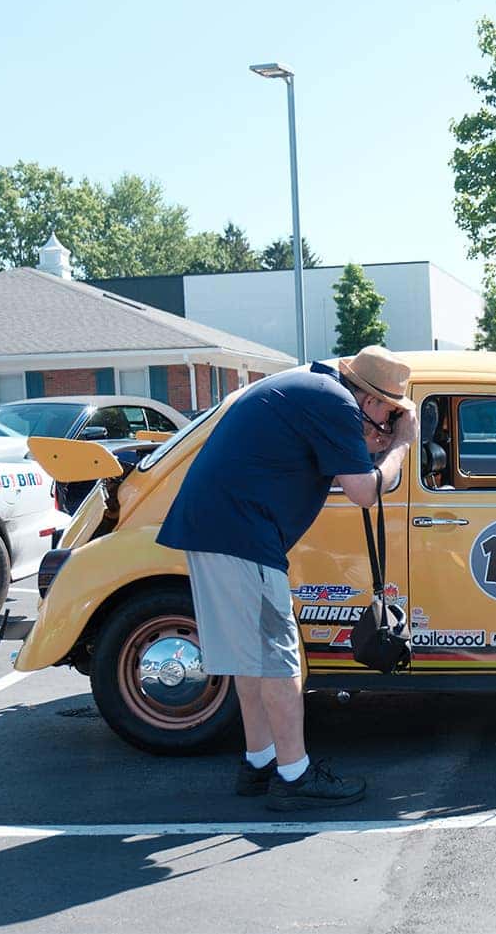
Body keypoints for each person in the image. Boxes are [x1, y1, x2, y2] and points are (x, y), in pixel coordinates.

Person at [157, 346, 418, 811]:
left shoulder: (314, 389)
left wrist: (374, 443)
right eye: (388, 413)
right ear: (372, 400)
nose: (386, 423)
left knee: (250, 659)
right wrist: (402, 444)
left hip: (215, 528)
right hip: (242, 535)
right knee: (280, 660)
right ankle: (294, 775)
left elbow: (330, 466)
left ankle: (259, 762)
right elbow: (363, 492)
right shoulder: (336, 403)